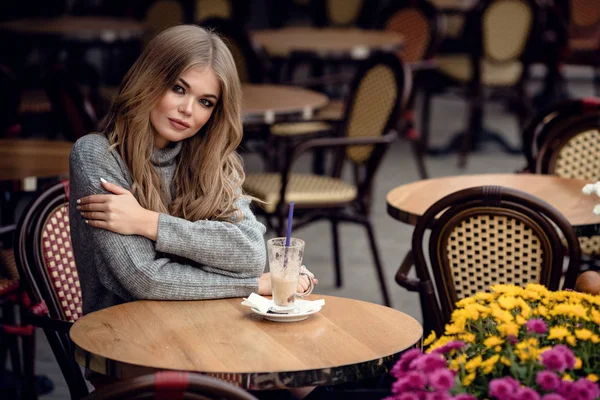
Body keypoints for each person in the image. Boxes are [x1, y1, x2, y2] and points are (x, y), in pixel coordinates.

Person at [69, 24, 317, 317]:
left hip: (204, 326)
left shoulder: (211, 159)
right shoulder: (97, 155)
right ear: (149, 80)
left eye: (205, 102)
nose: (188, 109)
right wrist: (255, 285)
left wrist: (148, 222)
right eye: (178, 89)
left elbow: (250, 253)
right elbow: (145, 279)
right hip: (126, 342)